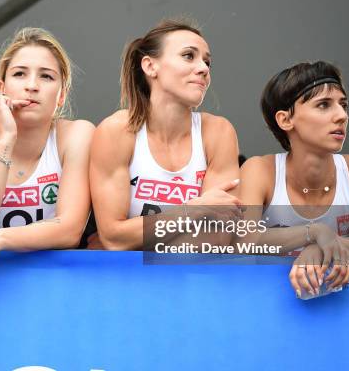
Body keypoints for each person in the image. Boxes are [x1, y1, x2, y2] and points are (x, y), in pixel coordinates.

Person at [0, 27, 94, 280]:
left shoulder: (78, 134)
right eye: (19, 74)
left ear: (62, 95)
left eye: (46, 77)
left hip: (51, 284)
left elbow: (69, 229)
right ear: (2, 87)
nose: (32, 86)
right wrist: (6, 140)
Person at [239, 61, 349, 297]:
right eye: (323, 105)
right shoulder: (259, 170)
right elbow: (244, 240)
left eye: (343, 105)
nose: (342, 115)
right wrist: (314, 232)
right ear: (285, 120)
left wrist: (325, 247)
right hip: (270, 312)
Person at [89, 18, 242, 251]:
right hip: (126, 282)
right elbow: (114, 238)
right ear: (150, 66)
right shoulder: (117, 130)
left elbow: (216, 239)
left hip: (190, 280)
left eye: (207, 62)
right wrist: (195, 210)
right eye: (189, 56)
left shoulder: (219, 132)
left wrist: (137, 239)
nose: (203, 68)